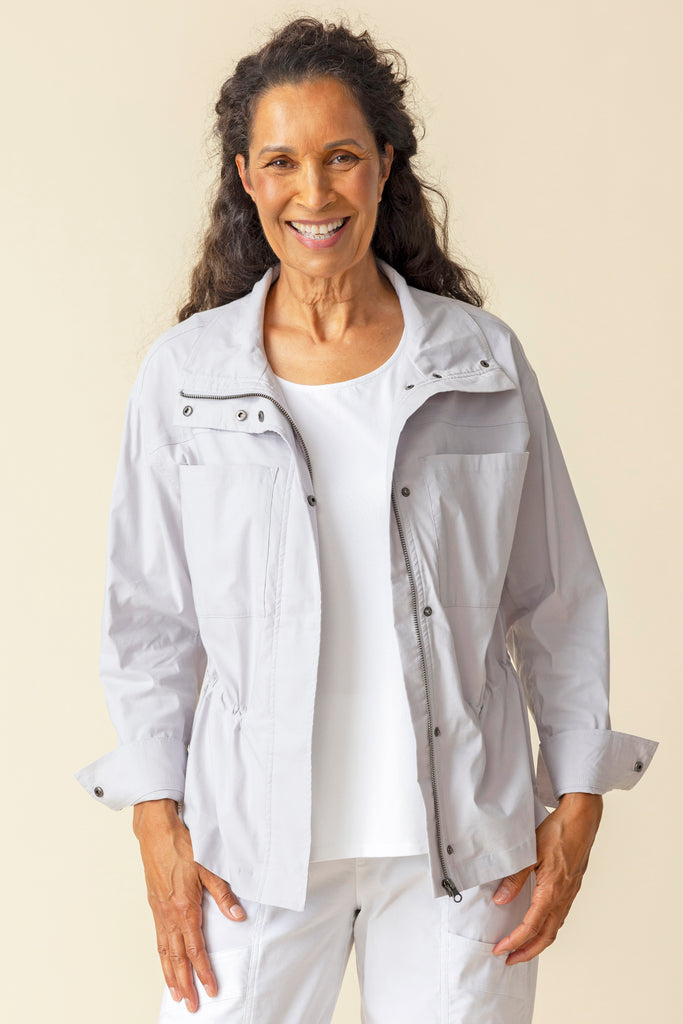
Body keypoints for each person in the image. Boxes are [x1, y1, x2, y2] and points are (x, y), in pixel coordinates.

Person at [76, 16, 658, 1023]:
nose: (314, 192)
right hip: (247, 855)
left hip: (460, 861)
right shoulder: (187, 376)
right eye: (282, 162)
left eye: (341, 156)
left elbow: (554, 596)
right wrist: (155, 822)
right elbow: (150, 617)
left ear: (384, 165)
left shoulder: (479, 361)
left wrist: (577, 803)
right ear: (246, 177)